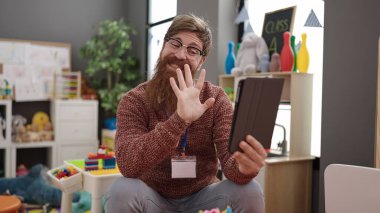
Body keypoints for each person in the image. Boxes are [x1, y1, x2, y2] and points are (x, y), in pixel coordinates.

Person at [105, 13, 267, 213]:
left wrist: (245, 168)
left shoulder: (215, 99)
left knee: (250, 190)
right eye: (175, 43)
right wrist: (179, 121)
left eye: (192, 50)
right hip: (152, 198)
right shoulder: (135, 100)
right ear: (163, 46)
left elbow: (230, 163)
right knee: (121, 190)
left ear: (201, 60)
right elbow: (128, 165)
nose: (181, 54)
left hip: (204, 196)